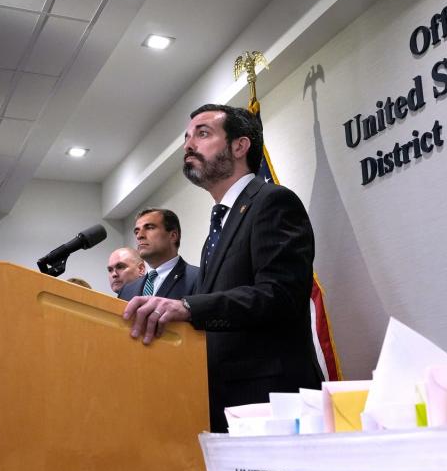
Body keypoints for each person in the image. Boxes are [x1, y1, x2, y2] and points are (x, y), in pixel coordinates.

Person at [124, 104, 322, 432]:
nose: (189, 145)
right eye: (187, 137)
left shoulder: (273, 202)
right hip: (225, 402)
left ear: (239, 146)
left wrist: (188, 306)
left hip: (271, 404)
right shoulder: (219, 225)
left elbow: (281, 295)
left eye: (203, 134)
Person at [118, 208, 198, 302]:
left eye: (150, 228)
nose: (139, 236)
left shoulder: (198, 278)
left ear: (173, 236)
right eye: (137, 231)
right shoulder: (126, 291)